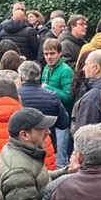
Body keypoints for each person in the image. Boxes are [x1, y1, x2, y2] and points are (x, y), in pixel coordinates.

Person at [17, 60, 70, 150]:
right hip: (48, 144)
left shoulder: (15, 96)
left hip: (23, 145)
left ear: (21, 78)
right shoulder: (52, 96)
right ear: (39, 76)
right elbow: (63, 123)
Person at [41, 38, 74, 167]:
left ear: (60, 53)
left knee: (61, 155)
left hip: (62, 119)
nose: (49, 57)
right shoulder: (45, 68)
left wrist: (47, 88)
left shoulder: (65, 71)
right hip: (48, 118)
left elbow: (68, 97)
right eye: (46, 54)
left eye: (52, 53)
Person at [73, 50, 101, 132]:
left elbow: (85, 134)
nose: (84, 69)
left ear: (96, 68)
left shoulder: (92, 98)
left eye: (86, 65)